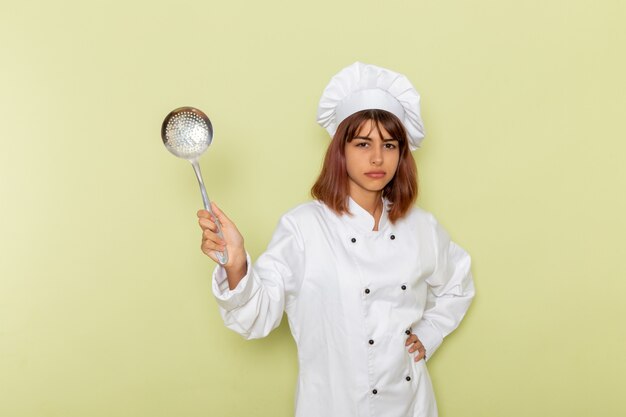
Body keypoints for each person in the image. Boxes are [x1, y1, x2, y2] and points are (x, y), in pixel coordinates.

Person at [197, 62, 475, 417]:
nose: (377, 158)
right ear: (339, 151)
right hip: (331, 406)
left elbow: (459, 283)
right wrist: (236, 264)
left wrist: (431, 331)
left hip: (410, 406)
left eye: (389, 145)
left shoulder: (421, 226)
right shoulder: (304, 227)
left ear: (401, 154)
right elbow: (257, 316)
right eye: (363, 143)